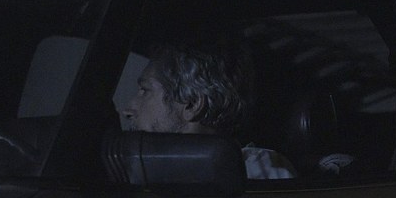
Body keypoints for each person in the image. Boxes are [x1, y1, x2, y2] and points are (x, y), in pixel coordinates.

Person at [121, 43, 299, 179]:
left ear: (192, 104)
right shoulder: (150, 170)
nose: (128, 109)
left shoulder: (256, 170)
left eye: (145, 91)